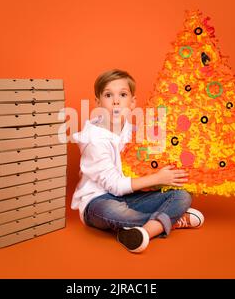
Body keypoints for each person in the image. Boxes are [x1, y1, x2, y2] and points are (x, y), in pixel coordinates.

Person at [71, 69, 204, 253]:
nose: (116, 101)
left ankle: (144, 232)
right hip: (98, 201)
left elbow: (151, 161)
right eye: (109, 95)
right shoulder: (93, 139)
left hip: (131, 196)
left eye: (123, 95)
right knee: (113, 212)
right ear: (98, 102)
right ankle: (171, 220)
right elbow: (115, 186)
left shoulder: (133, 131)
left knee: (182, 194)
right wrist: (158, 178)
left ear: (132, 102)